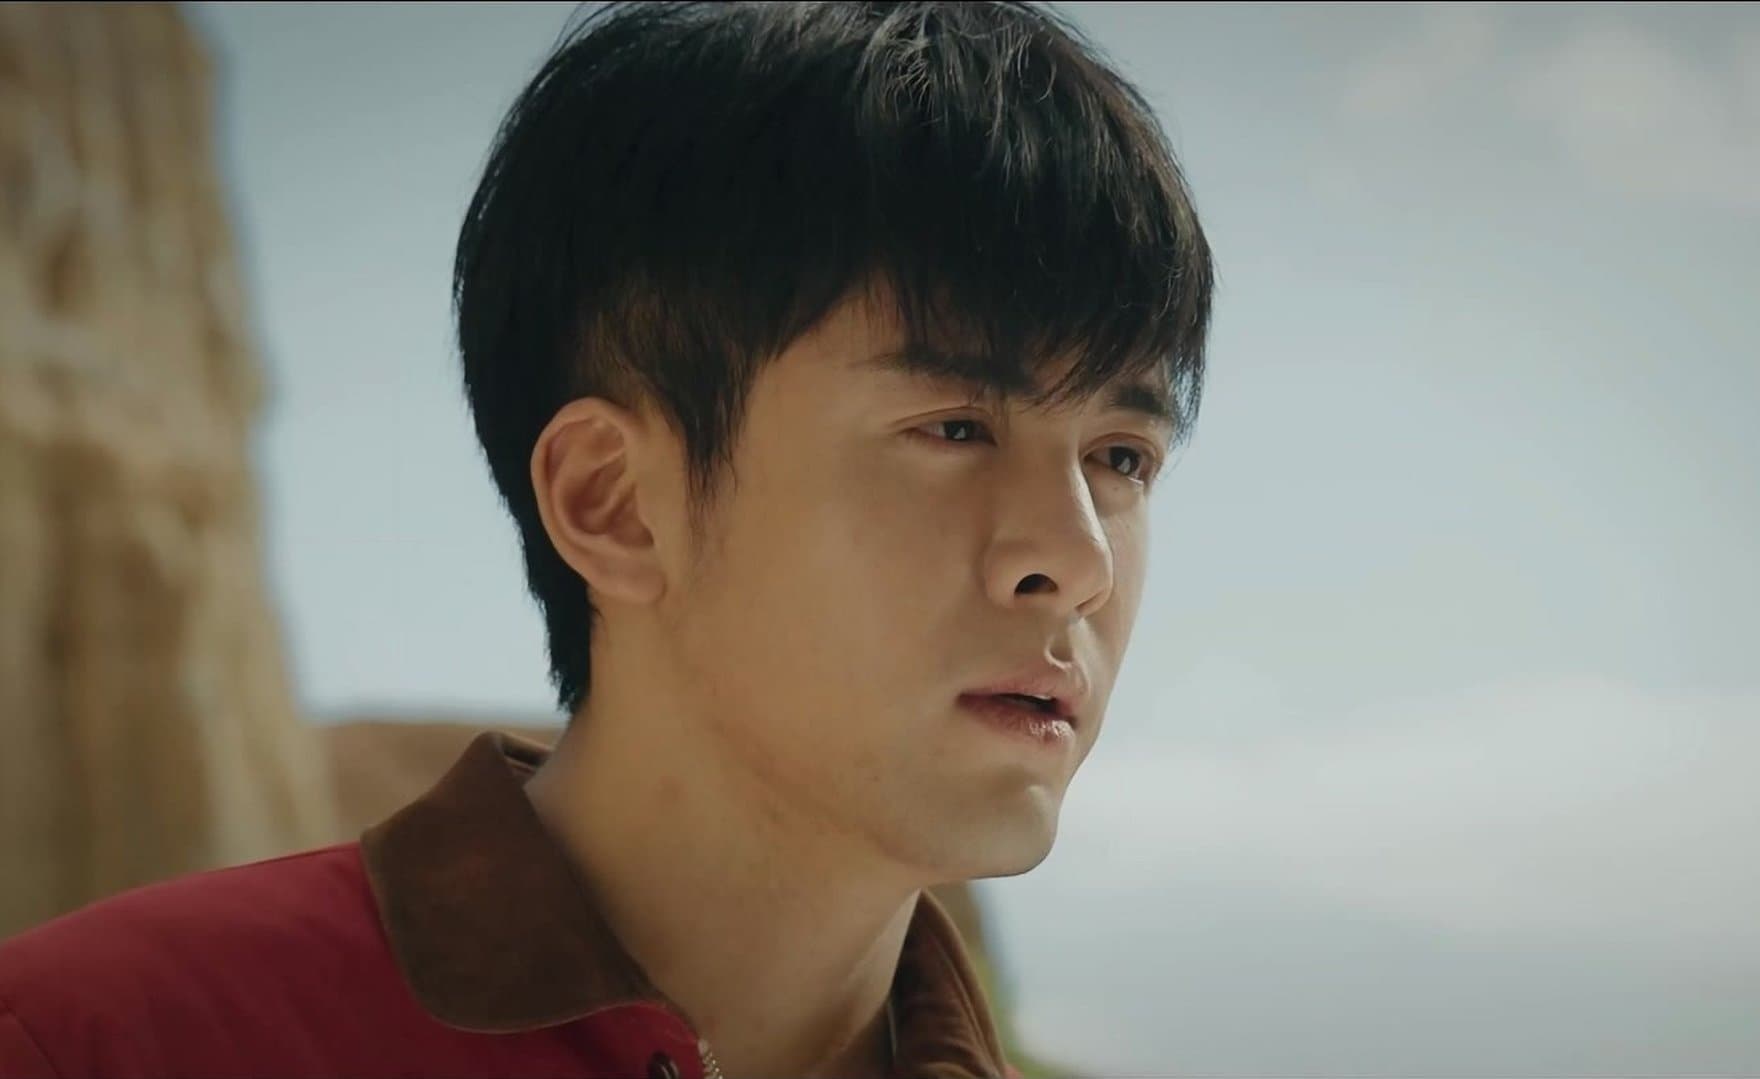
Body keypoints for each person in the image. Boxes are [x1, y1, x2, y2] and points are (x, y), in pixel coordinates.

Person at [0, 2, 1214, 1076]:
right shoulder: (95, 1043)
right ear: (614, 503)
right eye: (954, 427)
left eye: (1121, 457)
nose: (1078, 559)